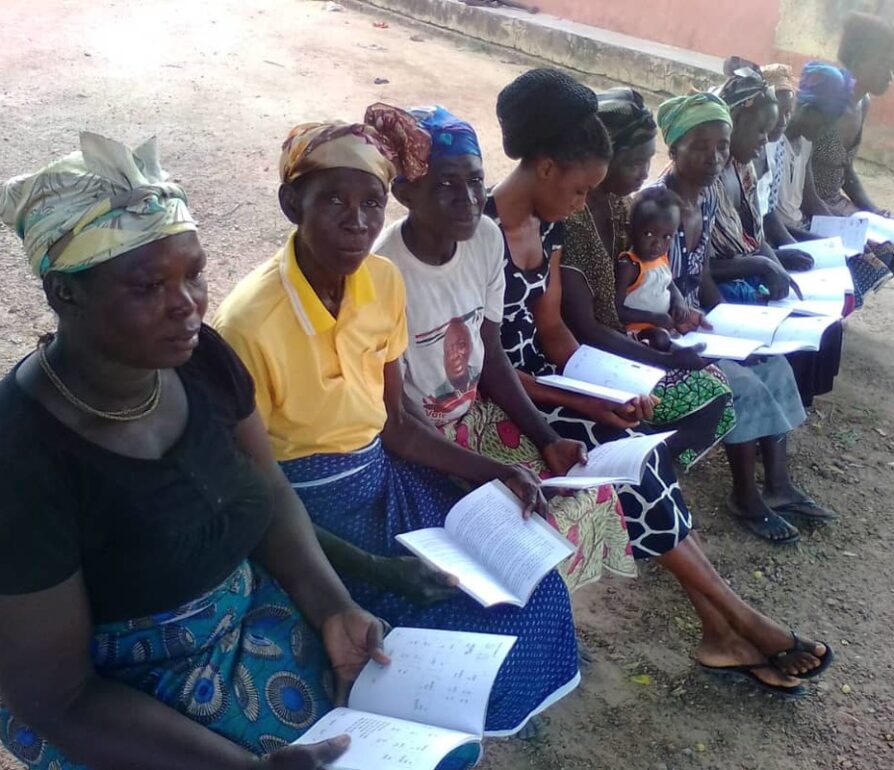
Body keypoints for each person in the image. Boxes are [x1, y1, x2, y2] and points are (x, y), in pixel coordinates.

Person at [0, 133, 416, 770]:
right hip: (129, 712)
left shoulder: (201, 359)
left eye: (194, 274)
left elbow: (267, 488)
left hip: (251, 625)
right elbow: (57, 697)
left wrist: (333, 606)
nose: (188, 306)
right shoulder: (23, 458)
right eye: (147, 287)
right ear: (65, 294)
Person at [213, 113, 582, 736]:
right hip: (304, 512)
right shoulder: (246, 325)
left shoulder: (380, 284)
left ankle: (479, 722)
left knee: (533, 591)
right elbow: (252, 494)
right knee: (436, 628)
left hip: (383, 478)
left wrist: (499, 471)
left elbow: (398, 427)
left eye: (370, 202)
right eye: (332, 199)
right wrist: (378, 570)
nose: (357, 220)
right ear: (289, 203)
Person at [485, 68, 833, 696]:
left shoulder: (554, 225)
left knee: (639, 447)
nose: (580, 203)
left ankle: (725, 627)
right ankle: (733, 624)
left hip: (548, 382)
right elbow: (491, 366)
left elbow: (558, 337)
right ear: (543, 167)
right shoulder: (482, 233)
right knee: (634, 465)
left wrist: (609, 385)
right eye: (578, 188)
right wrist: (584, 396)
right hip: (503, 403)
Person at [375, 104, 635, 591]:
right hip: (418, 446)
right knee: (519, 534)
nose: (470, 200)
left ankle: (549, 609)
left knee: (589, 491)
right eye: (447, 185)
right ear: (405, 191)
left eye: (475, 181)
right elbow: (397, 424)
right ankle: (530, 615)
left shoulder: (485, 241)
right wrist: (496, 472)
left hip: (473, 419)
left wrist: (546, 439)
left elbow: (491, 354)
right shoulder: (384, 275)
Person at [654, 92, 835, 545]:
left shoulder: (707, 200)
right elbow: (655, 288)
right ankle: (744, 495)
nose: (714, 157)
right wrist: (696, 322)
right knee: (742, 383)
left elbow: (703, 275)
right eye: (700, 146)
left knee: (771, 362)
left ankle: (778, 485)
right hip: (662, 332)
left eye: (721, 146)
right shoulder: (657, 208)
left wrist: (729, 319)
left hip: (700, 320)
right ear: (673, 148)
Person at [560, 87, 736, 471]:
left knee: (717, 387)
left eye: (648, 162)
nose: (644, 174)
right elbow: (586, 327)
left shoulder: (623, 208)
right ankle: (646, 471)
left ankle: (655, 473)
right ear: (607, 158)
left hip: (625, 338)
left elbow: (650, 274)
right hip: (586, 353)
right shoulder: (572, 219)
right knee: (708, 395)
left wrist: (674, 311)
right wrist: (663, 356)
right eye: (636, 163)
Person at [711, 64, 844, 408]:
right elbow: (700, 267)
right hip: (720, 290)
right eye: (761, 131)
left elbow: (757, 234)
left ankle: (793, 410)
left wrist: (774, 263)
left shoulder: (743, 170)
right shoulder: (705, 179)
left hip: (746, 276)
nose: (764, 142)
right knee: (786, 335)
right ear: (735, 120)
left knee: (821, 323)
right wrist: (764, 265)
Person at [766, 61, 892, 305]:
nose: (826, 131)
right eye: (826, 122)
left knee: (871, 252)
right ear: (808, 109)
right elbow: (767, 218)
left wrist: (842, 232)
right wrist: (818, 243)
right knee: (844, 264)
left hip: (800, 226)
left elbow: (811, 199)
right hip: (782, 233)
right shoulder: (773, 145)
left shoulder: (805, 142)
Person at [812, 11, 894, 218]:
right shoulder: (823, 102)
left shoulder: (863, 103)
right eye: (884, 64)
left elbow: (845, 172)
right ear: (859, 63)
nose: (890, 75)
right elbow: (795, 174)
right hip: (808, 210)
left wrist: (874, 211)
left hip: (836, 206)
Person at [615, 187, 688, 350]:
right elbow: (616, 309)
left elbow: (668, 283)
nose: (658, 244)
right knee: (661, 339)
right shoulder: (630, 265)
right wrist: (653, 318)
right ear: (631, 231)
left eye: (666, 237)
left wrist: (679, 300)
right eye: (649, 234)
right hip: (637, 331)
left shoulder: (661, 258)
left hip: (662, 324)